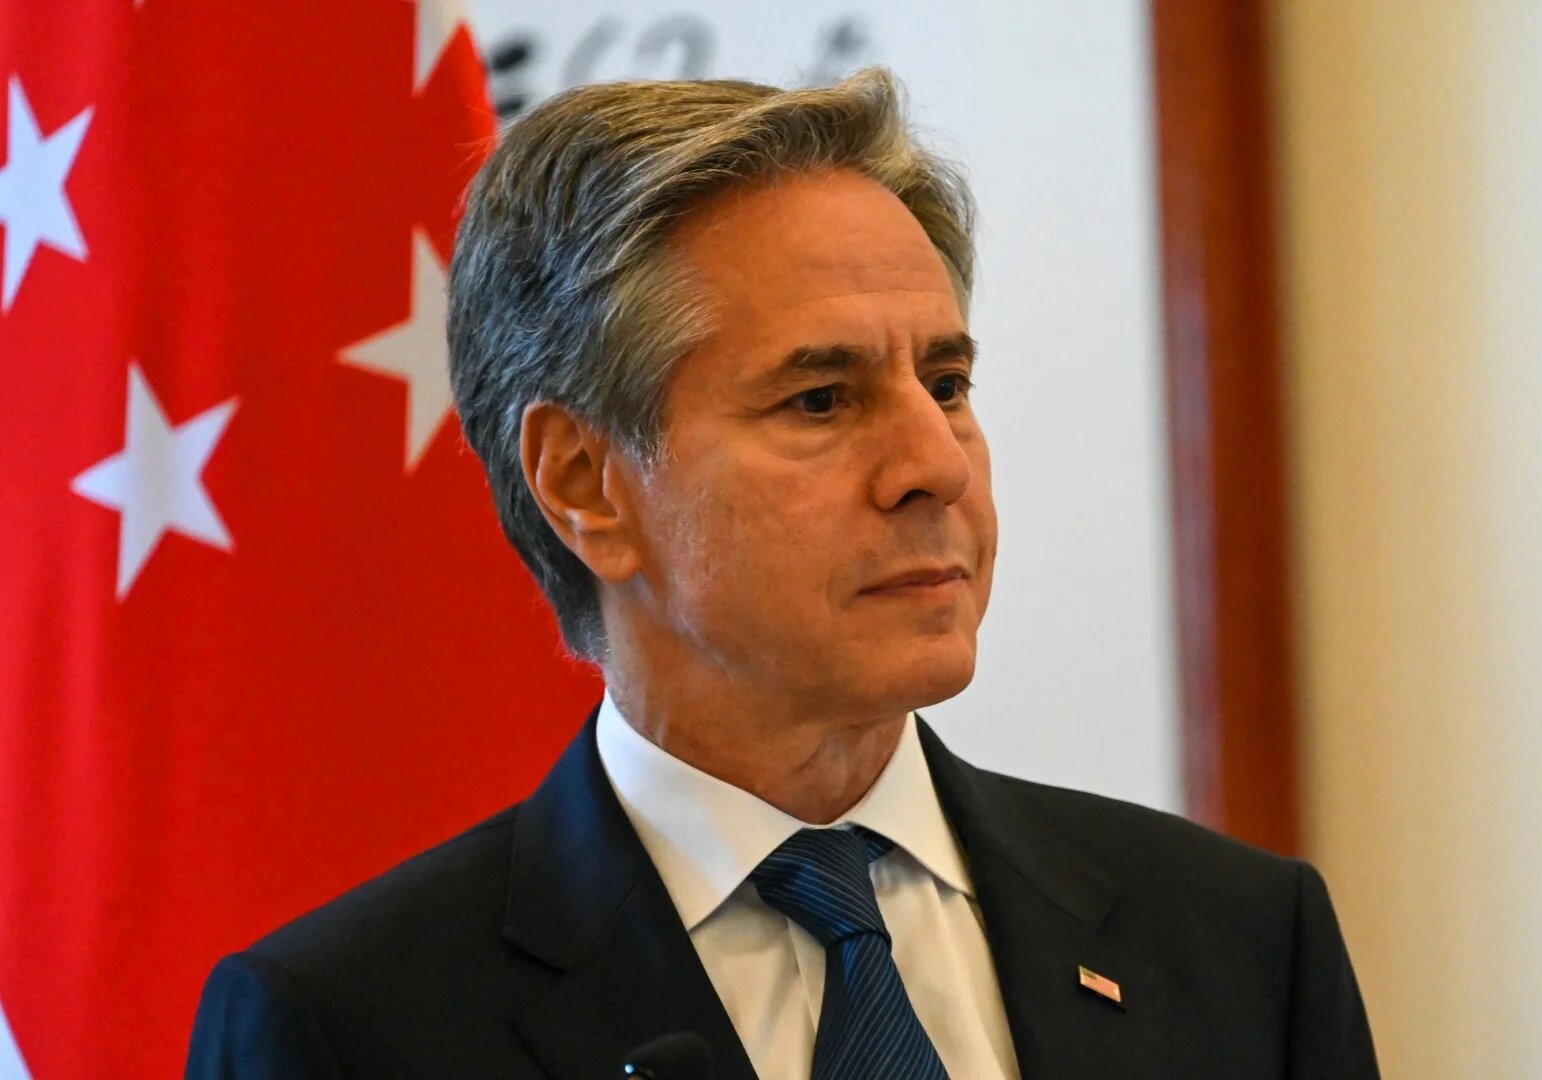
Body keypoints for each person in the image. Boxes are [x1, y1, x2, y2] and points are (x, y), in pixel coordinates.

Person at [185, 68, 1379, 1079]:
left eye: (948, 386)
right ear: (587, 482)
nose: (933, 465)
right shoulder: (347, 1029)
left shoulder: (1238, 941)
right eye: (822, 398)